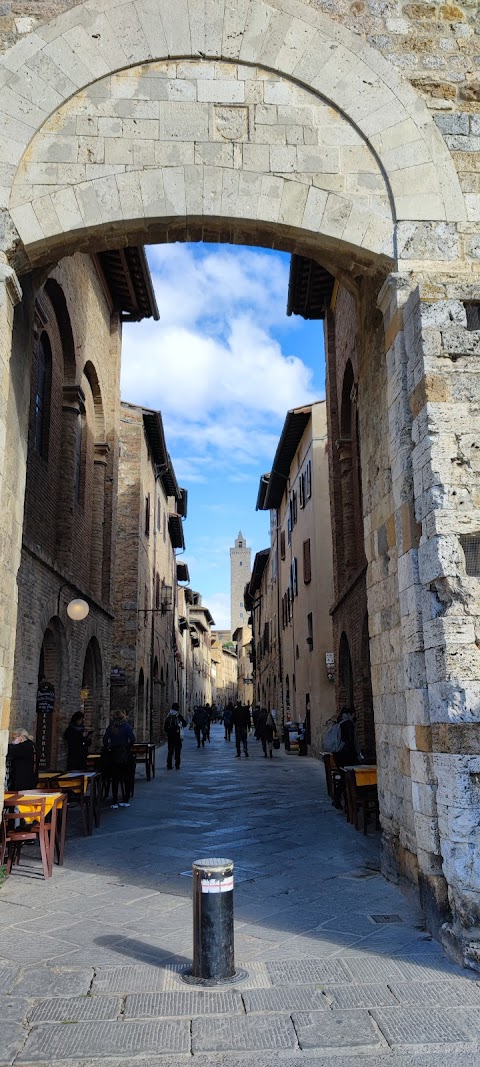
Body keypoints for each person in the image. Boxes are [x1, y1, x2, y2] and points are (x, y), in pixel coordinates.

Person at [103, 710, 135, 808]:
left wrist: (109, 747)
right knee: (126, 778)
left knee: (115, 779)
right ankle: (125, 799)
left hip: (114, 755)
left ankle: (114, 800)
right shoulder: (127, 727)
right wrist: (127, 747)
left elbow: (105, 740)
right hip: (124, 755)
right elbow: (132, 740)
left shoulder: (111, 727)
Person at [332, 707, 359, 809]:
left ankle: (340, 799)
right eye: (354, 714)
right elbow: (350, 742)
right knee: (348, 778)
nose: (355, 716)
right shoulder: (348, 724)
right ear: (350, 714)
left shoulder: (338, 722)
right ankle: (348, 802)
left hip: (338, 755)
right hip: (347, 756)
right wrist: (356, 756)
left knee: (344, 777)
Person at [164, 703, 187, 770]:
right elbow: (185, 724)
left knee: (170, 750)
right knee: (177, 751)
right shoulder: (179, 716)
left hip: (170, 736)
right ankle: (177, 765)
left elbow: (165, 728)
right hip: (178, 736)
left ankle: (169, 765)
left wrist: (169, 732)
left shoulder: (169, 716)